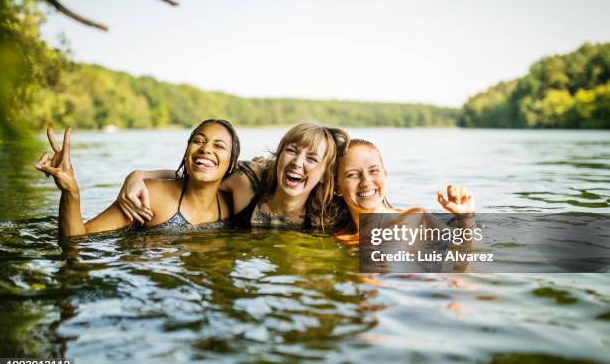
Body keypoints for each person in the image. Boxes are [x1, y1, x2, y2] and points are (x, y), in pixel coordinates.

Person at [118, 123, 349, 231]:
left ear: (323, 175)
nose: (297, 163)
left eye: (311, 158)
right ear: (279, 156)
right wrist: (139, 175)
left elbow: (375, 210)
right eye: (291, 151)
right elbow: (198, 177)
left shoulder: (330, 212)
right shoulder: (246, 181)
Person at [34, 119, 240, 237]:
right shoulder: (149, 195)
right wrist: (71, 192)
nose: (205, 149)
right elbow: (79, 239)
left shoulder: (234, 204)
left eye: (219, 146)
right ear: (187, 152)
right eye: (198, 141)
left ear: (231, 163)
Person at [333, 139, 475, 243]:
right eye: (352, 175)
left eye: (374, 171)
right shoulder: (342, 239)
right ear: (337, 187)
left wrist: (466, 220)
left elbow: (465, 252)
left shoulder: (416, 218)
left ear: (385, 175)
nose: (366, 182)